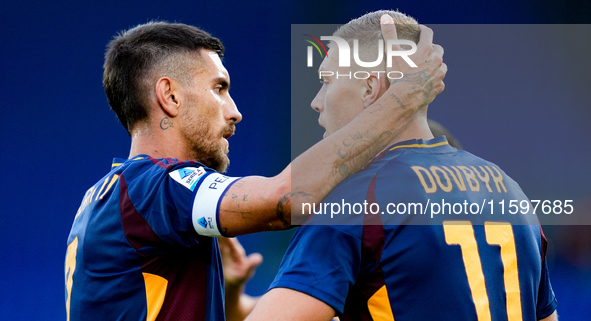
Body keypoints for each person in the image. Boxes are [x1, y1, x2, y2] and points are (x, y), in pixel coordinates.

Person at [64, 17, 446, 320]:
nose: (235, 112)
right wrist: (401, 101)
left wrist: (226, 295)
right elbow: (286, 198)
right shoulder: (151, 186)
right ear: (170, 95)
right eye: (219, 88)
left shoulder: (110, 196)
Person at [246, 10, 558, 321]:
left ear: (369, 88)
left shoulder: (358, 199)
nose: (316, 100)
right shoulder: (511, 191)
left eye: (326, 81)